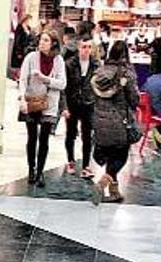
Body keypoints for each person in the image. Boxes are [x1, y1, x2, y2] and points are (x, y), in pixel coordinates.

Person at [90, 40, 139, 203]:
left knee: (110, 154)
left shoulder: (99, 72)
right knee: (120, 157)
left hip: (99, 120)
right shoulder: (126, 74)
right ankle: (103, 182)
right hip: (120, 121)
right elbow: (134, 100)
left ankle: (114, 191)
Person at [17, 31, 66, 187]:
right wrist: (22, 99)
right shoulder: (31, 58)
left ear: (53, 43)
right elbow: (23, 80)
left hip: (50, 104)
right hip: (31, 101)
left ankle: (40, 172)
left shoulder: (59, 61)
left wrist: (44, 78)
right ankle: (31, 169)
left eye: (46, 40)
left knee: (44, 139)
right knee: (32, 137)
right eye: (41, 39)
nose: (42, 42)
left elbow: (62, 84)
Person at [63, 36, 100, 178]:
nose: (86, 50)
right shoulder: (69, 64)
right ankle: (70, 161)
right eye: (84, 47)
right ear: (78, 48)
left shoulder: (96, 65)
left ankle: (86, 165)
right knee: (71, 133)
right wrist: (64, 107)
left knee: (87, 136)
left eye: (89, 47)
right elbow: (65, 88)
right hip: (73, 103)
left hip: (88, 103)